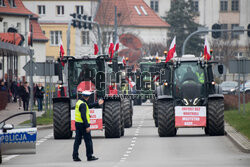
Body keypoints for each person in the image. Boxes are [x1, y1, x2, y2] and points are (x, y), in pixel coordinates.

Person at [72, 91, 104, 162]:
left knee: (77, 141)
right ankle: (89, 156)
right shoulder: (83, 104)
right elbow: (83, 116)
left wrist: (97, 103)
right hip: (83, 125)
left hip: (78, 124)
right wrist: (87, 126)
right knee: (88, 141)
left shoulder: (79, 102)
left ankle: (75, 156)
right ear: (88, 97)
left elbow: (88, 106)